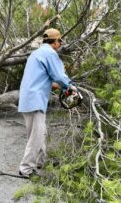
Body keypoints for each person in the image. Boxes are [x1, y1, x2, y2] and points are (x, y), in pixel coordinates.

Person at [18, 28, 77, 178]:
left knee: (39, 132)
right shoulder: (50, 53)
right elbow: (59, 75)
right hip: (35, 99)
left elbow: (43, 79)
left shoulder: (35, 54)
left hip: (27, 97)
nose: (60, 44)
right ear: (55, 41)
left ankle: (41, 161)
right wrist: (70, 87)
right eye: (60, 41)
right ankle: (26, 169)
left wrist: (59, 85)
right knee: (36, 135)